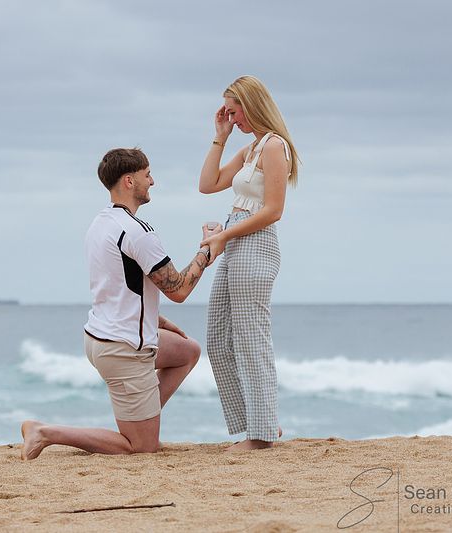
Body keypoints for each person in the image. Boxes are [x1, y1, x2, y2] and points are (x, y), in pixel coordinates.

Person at [21, 147, 222, 460]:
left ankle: (143, 415)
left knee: (187, 351)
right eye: (147, 175)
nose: (152, 181)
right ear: (129, 181)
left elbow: (120, 287)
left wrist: (158, 320)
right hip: (124, 349)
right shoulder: (138, 232)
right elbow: (179, 290)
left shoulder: (100, 224)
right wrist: (208, 250)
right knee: (141, 447)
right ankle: (45, 432)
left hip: (100, 337)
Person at [198, 75, 301, 451]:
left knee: (251, 337)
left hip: (255, 243)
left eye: (233, 108)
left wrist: (225, 235)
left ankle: (259, 437)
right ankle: (260, 422)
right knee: (218, 337)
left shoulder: (275, 146)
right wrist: (221, 137)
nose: (230, 114)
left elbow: (274, 210)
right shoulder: (252, 148)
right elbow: (207, 185)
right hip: (235, 240)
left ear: (251, 104)